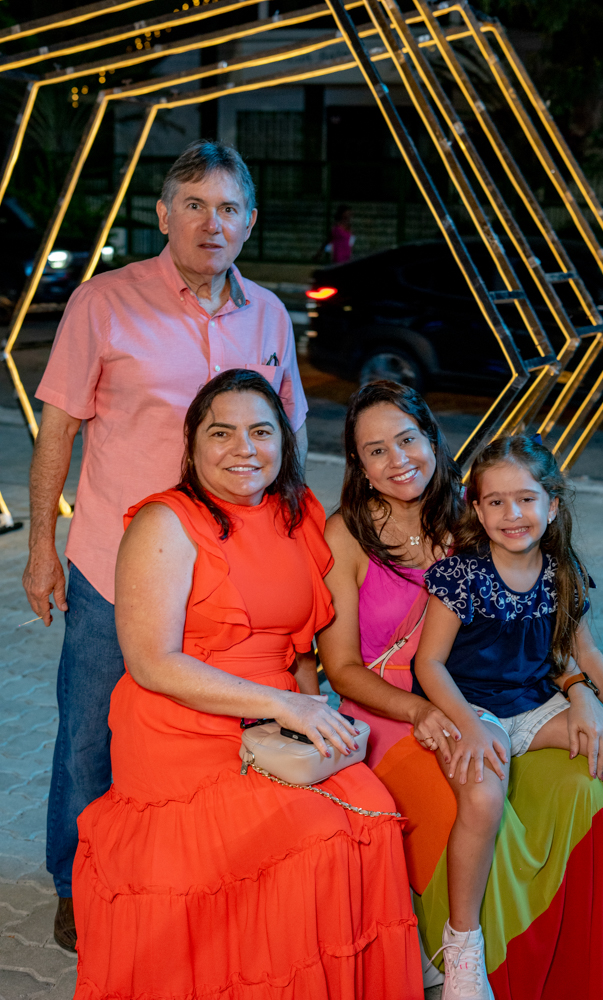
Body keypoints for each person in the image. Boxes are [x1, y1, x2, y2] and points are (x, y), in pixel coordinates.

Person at [22, 139, 309, 950]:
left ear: (249, 222)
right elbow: (59, 429)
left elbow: (288, 436)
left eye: (226, 208)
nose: (209, 223)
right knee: (90, 731)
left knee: (201, 731)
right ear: (162, 215)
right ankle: (75, 881)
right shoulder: (103, 303)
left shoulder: (268, 317)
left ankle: (182, 869)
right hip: (115, 561)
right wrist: (43, 546)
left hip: (229, 574)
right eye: (193, 205)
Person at [72, 368, 423, 999]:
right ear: (193, 444)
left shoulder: (298, 515)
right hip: (180, 721)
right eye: (222, 432)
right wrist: (285, 704)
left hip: (276, 714)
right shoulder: (165, 522)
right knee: (308, 838)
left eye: (261, 431)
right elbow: (151, 662)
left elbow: (301, 644)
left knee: (369, 812)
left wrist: (310, 706)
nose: (244, 449)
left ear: (285, 443)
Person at [319, 383, 603, 1000]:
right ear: (358, 465)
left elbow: (547, 632)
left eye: (408, 439)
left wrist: (580, 692)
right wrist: (422, 710)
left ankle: (566, 960)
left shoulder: (477, 518)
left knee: (582, 779)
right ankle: (460, 956)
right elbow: (342, 669)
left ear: (433, 438)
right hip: (392, 711)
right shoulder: (344, 536)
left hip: (486, 703)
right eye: (374, 450)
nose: (397, 459)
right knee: (463, 801)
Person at [415, 433, 603, 999]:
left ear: (553, 505)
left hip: (535, 707)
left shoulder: (561, 569)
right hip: (470, 707)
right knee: (482, 799)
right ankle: (462, 945)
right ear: (476, 509)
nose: (513, 514)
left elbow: (588, 652)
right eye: (496, 501)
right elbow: (428, 664)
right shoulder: (463, 576)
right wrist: (469, 723)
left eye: (526, 499)